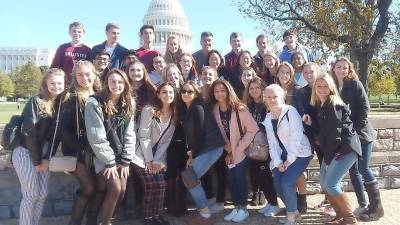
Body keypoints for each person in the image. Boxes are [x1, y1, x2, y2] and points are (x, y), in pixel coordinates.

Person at [331, 57, 383, 221]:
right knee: (353, 171)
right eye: (338, 67)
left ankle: (377, 208)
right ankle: (363, 204)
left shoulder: (355, 84)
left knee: (363, 169)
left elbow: (365, 108)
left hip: (361, 135)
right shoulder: (333, 87)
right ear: (333, 69)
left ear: (349, 69)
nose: (341, 70)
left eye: (345, 67)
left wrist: (355, 130)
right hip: (347, 137)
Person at [12, 68, 65, 225]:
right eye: (52, 83)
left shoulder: (61, 104)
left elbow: (56, 136)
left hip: (43, 153)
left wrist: (47, 158)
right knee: (31, 195)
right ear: (46, 84)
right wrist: (37, 162)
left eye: (59, 83)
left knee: (41, 194)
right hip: (26, 151)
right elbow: (29, 133)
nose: (56, 86)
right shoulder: (36, 101)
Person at [85, 69, 136, 225]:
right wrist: (110, 162)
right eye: (113, 81)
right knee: (115, 188)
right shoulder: (94, 103)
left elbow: (130, 133)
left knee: (122, 191)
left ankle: (104, 219)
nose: (117, 85)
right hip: (102, 155)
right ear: (106, 83)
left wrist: (126, 159)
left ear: (125, 84)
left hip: (121, 155)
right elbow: (96, 137)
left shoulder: (129, 102)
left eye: (120, 82)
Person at [310, 73, 361, 225]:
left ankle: (350, 219)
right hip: (336, 149)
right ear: (314, 88)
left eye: (325, 86)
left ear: (331, 88)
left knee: (331, 183)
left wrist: (329, 159)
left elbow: (336, 136)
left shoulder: (332, 104)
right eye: (319, 86)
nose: (322, 89)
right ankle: (340, 215)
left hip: (346, 149)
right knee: (324, 182)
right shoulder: (323, 105)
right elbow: (325, 133)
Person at [57, 61, 101, 225]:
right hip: (77, 152)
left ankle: (91, 220)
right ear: (75, 77)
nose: (84, 78)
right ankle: (74, 222)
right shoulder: (71, 97)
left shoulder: (100, 94)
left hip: (96, 150)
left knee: (99, 187)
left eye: (87, 74)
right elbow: (62, 129)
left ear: (94, 74)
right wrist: (80, 149)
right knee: (89, 187)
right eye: (80, 75)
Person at [262, 84, 312, 225]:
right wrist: (278, 163)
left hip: (300, 153)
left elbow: (295, 139)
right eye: (269, 97)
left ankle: (291, 217)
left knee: (287, 182)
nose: (272, 100)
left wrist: (288, 162)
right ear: (265, 99)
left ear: (282, 97)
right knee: (277, 182)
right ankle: (295, 211)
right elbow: (272, 144)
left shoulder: (291, 112)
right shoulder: (268, 117)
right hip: (283, 156)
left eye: (275, 97)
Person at [209, 80, 258, 222]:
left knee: (239, 178)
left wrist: (239, 147)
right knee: (231, 179)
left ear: (228, 91)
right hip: (228, 151)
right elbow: (218, 133)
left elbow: (253, 129)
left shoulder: (239, 108)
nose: (219, 93)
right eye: (216, 91)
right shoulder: (215, 109)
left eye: (222, 90)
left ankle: (243, 209)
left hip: (242, 150)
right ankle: (236, 207)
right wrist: (229, 150)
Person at [178, 81, 225, 225]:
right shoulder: (187, 109)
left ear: (196, 93)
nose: (186, 94)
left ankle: (205, 215)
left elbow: (199, 134)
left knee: (190, 178)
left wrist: (193, 154)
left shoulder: (197, 107)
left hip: (212, 147)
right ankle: (204, 210)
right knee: (191, 178)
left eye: (190, 92)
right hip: (203, 148)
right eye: (184, 91)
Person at [131, 82, 178, 225]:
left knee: (162, 185)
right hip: (141, 155)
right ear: (158, 94)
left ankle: (156, 216)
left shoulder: (174, 114)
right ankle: (147, 218)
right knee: (151, 185)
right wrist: (149, 160)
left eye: (171, 92)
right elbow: (143, 136)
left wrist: (157, 161)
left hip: (157, 157)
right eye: (164, 92)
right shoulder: (149, 110)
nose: (168, 95)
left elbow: (165, 142)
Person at [242, 77, 280, 216]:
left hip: (267, 145)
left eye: (257, 88)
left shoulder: (267, 105)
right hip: (253, 146)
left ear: (262, 88)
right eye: (251, 88)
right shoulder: (248, 106)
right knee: (257, 174)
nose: (254, 91)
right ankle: (270, 202)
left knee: (266, 175)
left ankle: (274, 204)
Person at [51, 22, 91, 86]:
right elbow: (54, 67)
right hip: (65, 83)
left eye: (79, 32)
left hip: (81, 84)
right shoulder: (63, 48)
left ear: (83, 33)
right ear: (69, 33)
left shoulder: (88, 50)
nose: (76, 34)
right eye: (74, 31)